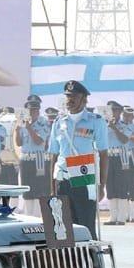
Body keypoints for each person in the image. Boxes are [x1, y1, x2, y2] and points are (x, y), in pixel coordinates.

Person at [47, 80, 108, 238]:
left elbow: (103, 154)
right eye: (67, 96)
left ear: (84, 99)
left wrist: (101, 185)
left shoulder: (95, 121)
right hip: (62, 177)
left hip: (83, 176)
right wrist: (52, 188)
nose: (70, 100)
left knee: (85, 226)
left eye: (74, 96)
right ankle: (68, 262)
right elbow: (54, 155)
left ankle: (92, 261)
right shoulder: (59, 123)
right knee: (61, 229)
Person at [14, 98, 51, 217]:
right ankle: (29, 215)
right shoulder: (22, 123)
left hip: (38, 159)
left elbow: (39, 141)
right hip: (26, 159)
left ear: (38, 110)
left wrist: (29, 128)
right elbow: (19, 143)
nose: (31, 112)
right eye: (29, 110)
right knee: (27, 189)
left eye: (33, 110)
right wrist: (17, 130)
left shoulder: (43, 123)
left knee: (39, 189)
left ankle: (39, 216)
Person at [104, 101, 131, 225]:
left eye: (115, 110)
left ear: (120, 112)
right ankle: (113, 216)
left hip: (121, 158)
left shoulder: (126, 125)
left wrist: (114, 127)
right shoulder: (103, 125)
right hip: (108, 157)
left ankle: (121, 217)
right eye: (111, 110)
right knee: (110, 187)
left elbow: (125, 140)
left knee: (121, 187)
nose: (113, 113)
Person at [121, 106, 134, 223]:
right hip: (121, 159)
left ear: (133, 116)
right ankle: (125, 215)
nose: (126, 117)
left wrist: (129, 137)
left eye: (129, 115)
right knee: (123, 187)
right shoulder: (119, 127)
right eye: (125, 115)